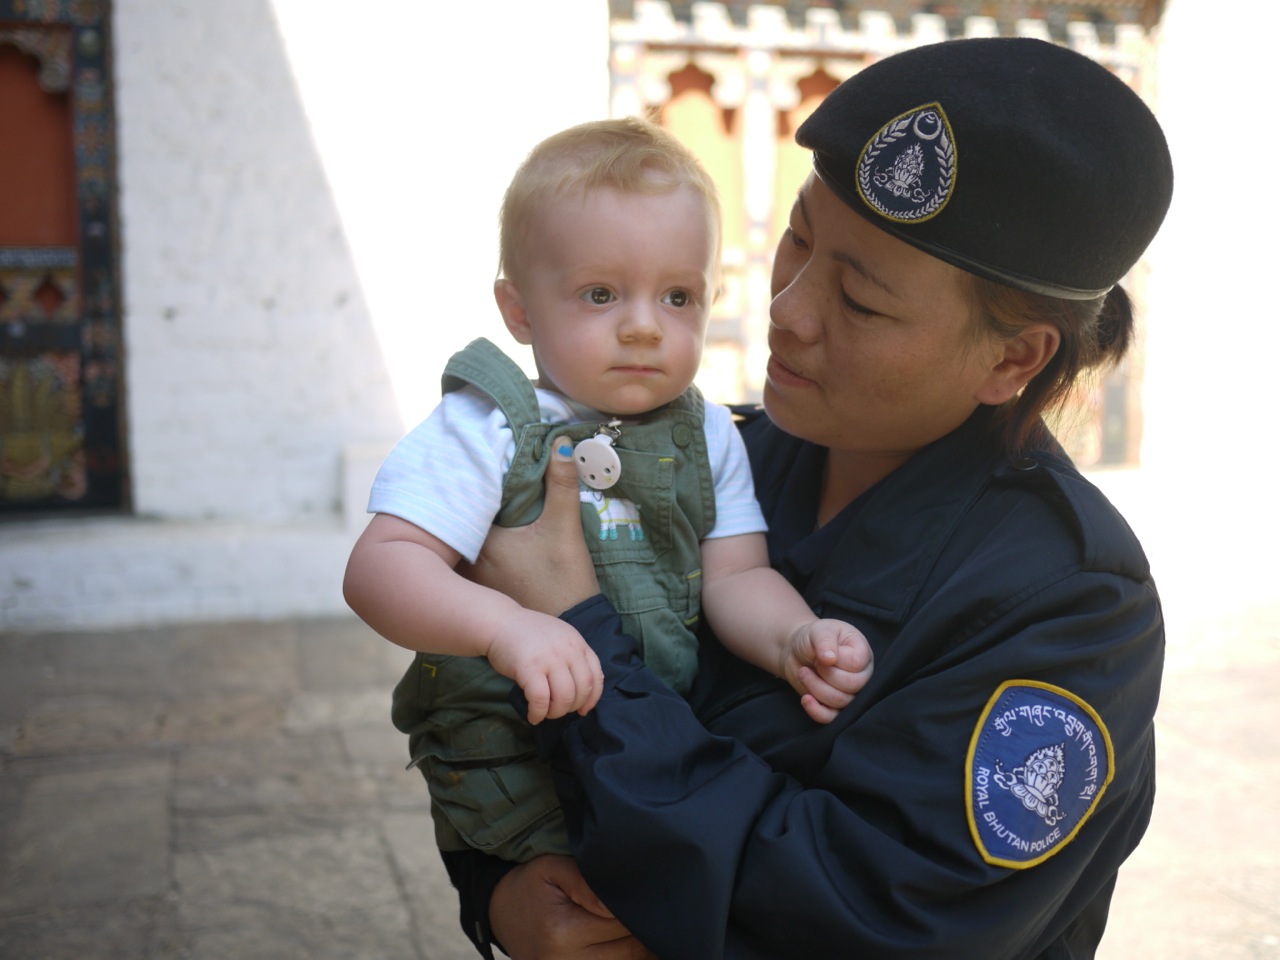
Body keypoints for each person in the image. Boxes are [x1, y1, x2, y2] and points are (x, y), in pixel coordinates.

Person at [440, 36, 1174, 960]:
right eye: (798, 237)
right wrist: (500, 888)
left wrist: (581, 639)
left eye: (860, 300)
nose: (787, 306)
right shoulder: (712, 460)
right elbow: (472, 719)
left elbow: (876, 916)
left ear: (1012, 356)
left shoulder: (1067, 606)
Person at [343, 118, 872, 866]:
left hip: (649, 738)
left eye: (678, 297)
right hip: (508, 754)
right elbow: (381, 566)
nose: (644, 328)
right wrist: (504, 627)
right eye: (601, 294)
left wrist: (792, 638)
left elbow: (737, 575)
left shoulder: (709, 432)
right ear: (519, 310)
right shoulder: (490, 426)